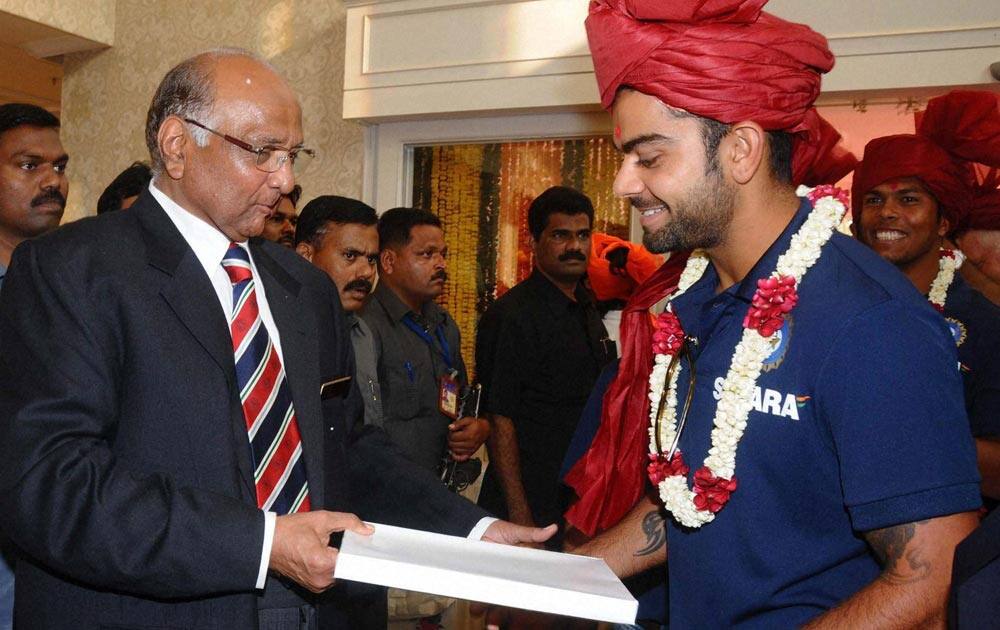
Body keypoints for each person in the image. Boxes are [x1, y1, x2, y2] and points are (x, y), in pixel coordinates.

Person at [0, 48, 550, 630]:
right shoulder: (69, 270)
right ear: (178, 145)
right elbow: (50, 482)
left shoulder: (303, 288)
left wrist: (472, 529)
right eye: (262, 152)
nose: (285, 180)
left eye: (291, 155)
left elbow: (348, 446)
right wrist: (261, 543)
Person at [556, 2, 982, 627]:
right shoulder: (696, 297)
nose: (622, 183)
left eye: (648, 156)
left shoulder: (871, 322)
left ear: (741, 150)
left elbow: (935, 572)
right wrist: (555, 579)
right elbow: (692, 499)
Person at [853, 90, 1000, 505]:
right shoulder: (837, 309)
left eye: (909, 199)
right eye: (874, 199)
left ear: (943, 223)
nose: (888, 213)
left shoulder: (985, 324)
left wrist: (897, 435)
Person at [475, 186, 616, 542]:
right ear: (534, 240)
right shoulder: (513, 315)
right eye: (560, 235)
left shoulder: (586, 306)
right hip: (528, 499)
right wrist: (520, 515)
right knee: (513, 598)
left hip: (579, 496)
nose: (575, 246)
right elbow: (498, 418)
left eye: (583, 235)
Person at [0, 101, 68, 630]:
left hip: (63, 543)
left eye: (60, 166)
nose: (52, 181)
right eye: (30, 166)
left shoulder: (77, 286)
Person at [359, 207, 490, 475]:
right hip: (385, 487)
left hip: (438, 487)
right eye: (427, 254)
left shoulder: (444, 324)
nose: (441, 264)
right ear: (388, 262)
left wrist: (477, 428)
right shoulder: (365, 325)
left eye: (443, 254)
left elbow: (460, 397)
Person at [295, 195, 383, 427]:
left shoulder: (361, 332)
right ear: (306, 256)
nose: (366, 272)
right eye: (350, 256)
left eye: (372, 259)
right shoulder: (283, 333)